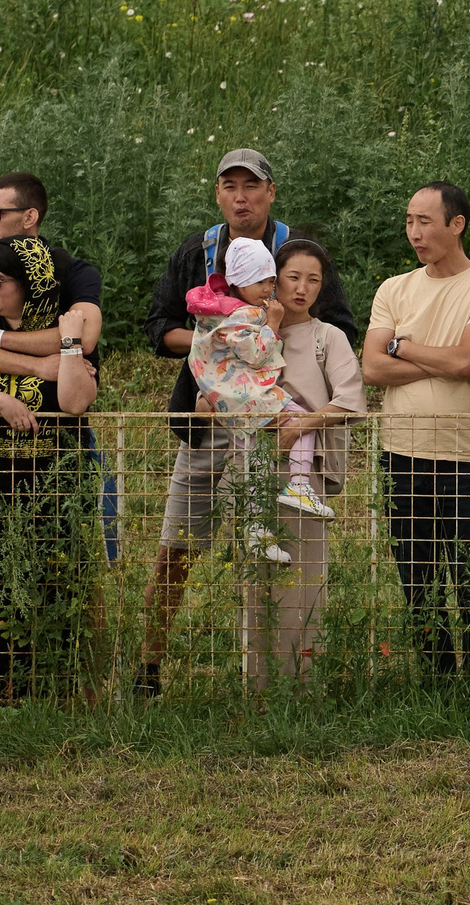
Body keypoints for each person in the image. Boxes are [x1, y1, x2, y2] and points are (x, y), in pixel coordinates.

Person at [137, 149, 355, 699]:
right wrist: (219, 340)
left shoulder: (299, 251)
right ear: (217, 194)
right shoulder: (196, 251)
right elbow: (158, 326)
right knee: (176, 547)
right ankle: (147, 669)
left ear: (270, 192)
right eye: (230, 186)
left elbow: (339, 326)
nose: (241, 197)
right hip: (209, 421)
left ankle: (278, 682)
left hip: (278, 427)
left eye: (252, 186)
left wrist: (273, 345)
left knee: (277, 550)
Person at [0, 234, 105, 702]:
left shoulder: (61, 330)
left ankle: (56, 692)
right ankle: (7, 692)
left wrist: (70, 347)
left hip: (54, 481)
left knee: (55, 583)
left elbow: (75, 401)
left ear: (30, 286)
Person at [361, 182, 470, 681]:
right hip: (400, 453)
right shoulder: (393, 288)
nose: (414, 232)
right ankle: (439, 680)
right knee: (417, 578)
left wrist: (402, 347)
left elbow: (468, 362)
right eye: (409, 221)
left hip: (466, 456)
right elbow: (372, 369)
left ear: (457, 224)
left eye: (425, 221)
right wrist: (441, 362)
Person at [0, 172, 110, 568]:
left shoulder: (73, 270)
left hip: (55, 468)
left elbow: (85, 339)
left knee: (63, 576)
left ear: (30, 216)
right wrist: (36, 366)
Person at [239, 238, 364, 688]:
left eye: (313, 280)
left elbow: (350, 399)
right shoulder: (247, 331)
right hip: (252, 470)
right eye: (293, 277)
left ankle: (302, 691)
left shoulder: (328, 337)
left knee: (304, 584)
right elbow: (215, 388)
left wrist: (299, 426)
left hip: (304, 478)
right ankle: (257, 691)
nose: (302, 288)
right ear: (274, 280)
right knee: (256, 584)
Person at [187, 239, 335, 562]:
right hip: (246, 395)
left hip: (231, 397)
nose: (268, 290)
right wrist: (273, 324)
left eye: (270, 281)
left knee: (255, 461)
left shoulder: (220, 310)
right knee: (300, 421)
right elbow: (255, 354)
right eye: (260, 283)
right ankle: (298, 485)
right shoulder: (240, 315)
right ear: (239, 282)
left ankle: (256, 527)